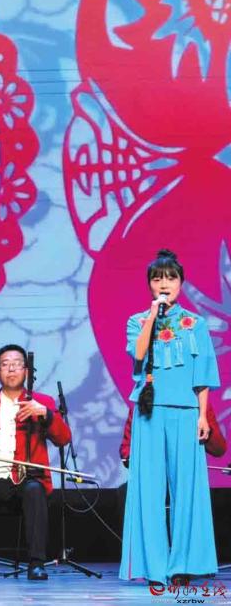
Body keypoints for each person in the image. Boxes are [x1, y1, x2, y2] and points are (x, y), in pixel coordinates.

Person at [121, 249, 220, 585]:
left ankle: (182, 565)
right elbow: (138, 353)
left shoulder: (196, 323)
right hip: (149, 414)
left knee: (187, 491)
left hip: (186, 412)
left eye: (171, 278)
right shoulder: (137, 321)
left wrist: (203, 416)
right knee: (149, 491)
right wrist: (152, 315)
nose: (164, 284)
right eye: (157, 278)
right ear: (149, 284)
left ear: (181, 282)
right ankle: (154, 567)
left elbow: (203, 374)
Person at [0, 343, 71, 581]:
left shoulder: (41, 402)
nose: (11, 369)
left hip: (26, 478)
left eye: (17, 364)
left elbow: (63, 438)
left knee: (34, 490)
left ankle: (36, 563)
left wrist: (45, 414)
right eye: (5, 365)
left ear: (26, 371)